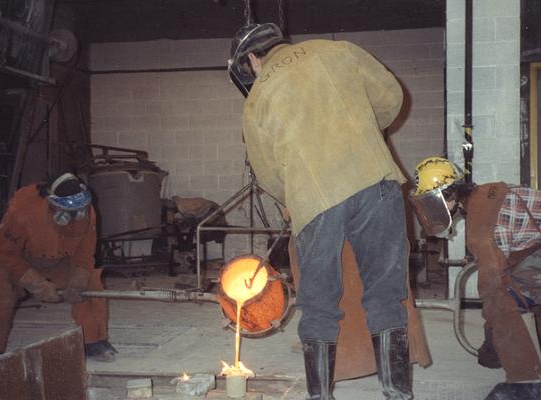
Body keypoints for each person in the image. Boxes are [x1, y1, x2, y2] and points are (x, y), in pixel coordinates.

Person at [228, 23, 416, 399]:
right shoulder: (338, 50)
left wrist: (296, 196)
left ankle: (320, 397)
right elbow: (391, 97)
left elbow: (267, 173)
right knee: (386, 293)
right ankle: (398, 394)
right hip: (375, 180)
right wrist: (360, 135)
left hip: (314, 197)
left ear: (251, 59)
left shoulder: (257, 98)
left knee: (318, 304)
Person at [409, 156, 541, 399]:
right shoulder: (485, 195)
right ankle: (501, 357)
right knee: (519, 287)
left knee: (500, 298)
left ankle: (526, 382)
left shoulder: (480, 223)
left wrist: (495, 321)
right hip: (535, 251)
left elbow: (492, 287)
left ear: (446, 197)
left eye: (430, 202)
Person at [0, 172, 117, 362]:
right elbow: (5, 251)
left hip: (60, 260)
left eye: (80, 211)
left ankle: (94, 341)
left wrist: (78, 281)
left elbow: (85, 254)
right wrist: (36, 283)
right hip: (22, 258)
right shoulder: (23, 209)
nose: (76, 217)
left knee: (91, 286)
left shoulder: (87, 212)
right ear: (52, 203)